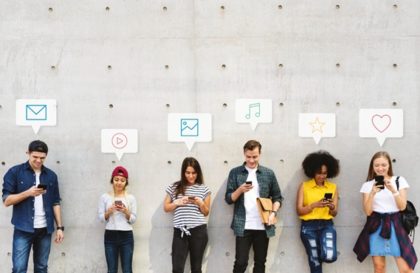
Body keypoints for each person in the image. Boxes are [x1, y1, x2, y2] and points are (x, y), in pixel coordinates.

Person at [2, 140, 64, 273]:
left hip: (45, 230)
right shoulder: (15, 172)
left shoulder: (51, 176)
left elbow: (56, 202)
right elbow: (6, 201)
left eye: (42, 158)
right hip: (23, 228)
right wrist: (28, 193)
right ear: (28, 153)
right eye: (35, 157)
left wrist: (59, 227)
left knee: (42, 268)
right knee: (19, 269)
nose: (38, 160)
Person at [353, 151, 417, 272]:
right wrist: (372, 193)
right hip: (375, 224)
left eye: (383, 165)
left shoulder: (399, 180)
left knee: (406, 269)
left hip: (396, 224)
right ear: (372, 166)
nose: (380, 168)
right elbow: (367, 211)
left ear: (389, 165)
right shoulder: (368, 185)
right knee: (379, 267)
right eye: (376, 165)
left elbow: (402, 207)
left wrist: (393, 190)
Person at [225, 140, 283, 273]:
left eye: (255, 156)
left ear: (260, 154)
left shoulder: (268, 173)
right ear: (244, 154)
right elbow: (228, 199)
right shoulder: (235, 173)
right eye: (248, 156)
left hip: (263, 225)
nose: (251, 160)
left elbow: (277, 197)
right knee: (240, 262)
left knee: (260, 263)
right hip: (243, 225)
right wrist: (239, 190)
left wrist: (273, 213)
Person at [163, 157, 211, 273]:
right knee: (177, 269)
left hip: (198, 231)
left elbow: (206, 212)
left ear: (197, 173)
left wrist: (200, 203)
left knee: (196, 268)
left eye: (193, 173)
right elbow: (166, 208)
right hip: (180, 231)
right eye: (188, 173)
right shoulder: (174, 187)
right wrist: (176, 202)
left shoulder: (204, 189)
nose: (190, 176)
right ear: (183, 172)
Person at [296, 151, 340, 273]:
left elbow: (335, 213)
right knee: (315, 262)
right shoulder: (304, 186)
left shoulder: (333, 187)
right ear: (312, 172)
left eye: (325, 173)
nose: (322, 176)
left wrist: (331, 207)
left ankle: (319, 249)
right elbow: (299, 211)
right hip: (308, 227)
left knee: (329, 256)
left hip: (327, 225)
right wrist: (314, 205)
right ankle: (315, 253)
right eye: (319, 173)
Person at [98, 166, 137, 273]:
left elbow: (133, 219)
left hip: (127, 236)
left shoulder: (131, 198)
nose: (119, 183)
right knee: (111, 270)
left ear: (126, 182)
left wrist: (126, 211)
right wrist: (109, 211)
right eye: (116, 180)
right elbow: (101, 218)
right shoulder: (105, 197)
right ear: (112, 180)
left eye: (122, 180)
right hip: (110, 235)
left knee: (127, 270)